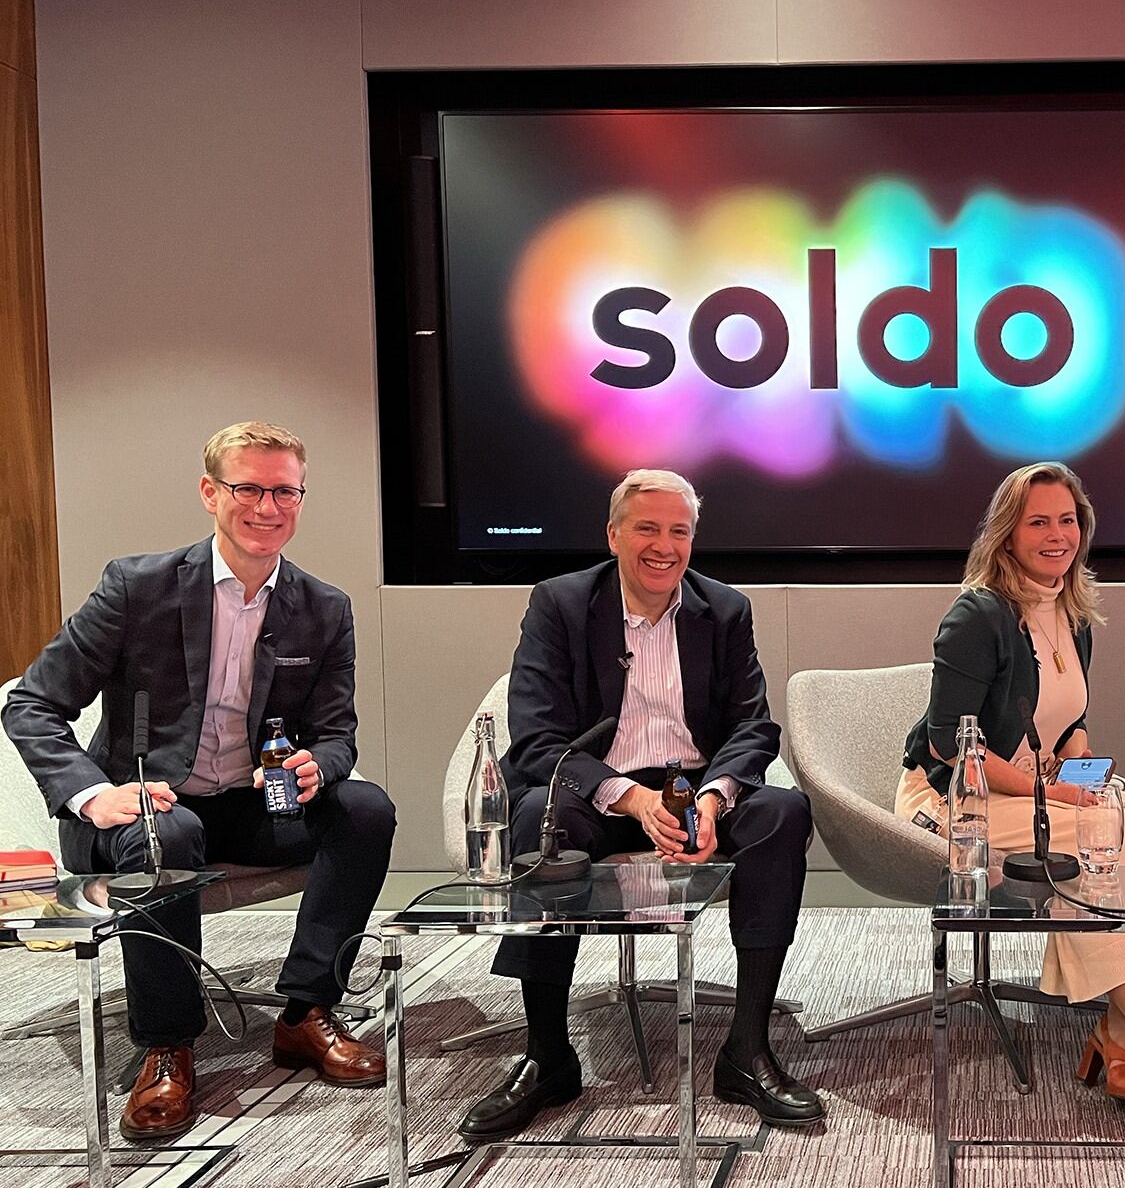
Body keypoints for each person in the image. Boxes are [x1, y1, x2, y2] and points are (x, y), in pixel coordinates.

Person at [3, 422, 396, 1140]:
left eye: (285, 491)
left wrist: (322, 766)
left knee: (365, 808)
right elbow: (31, 704)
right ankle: (168, 1045)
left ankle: (306, 1011)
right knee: (169, 829)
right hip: (139, 810)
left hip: (251, 804)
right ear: (211, 492)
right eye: (249, 488)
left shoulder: (323, 607)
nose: (267, 507)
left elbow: (337, 735)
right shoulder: (137, 587)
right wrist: (95, 794)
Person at [459, 470, 818, 1140]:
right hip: (595, 783)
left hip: (694, 780)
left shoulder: (726, 609)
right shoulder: (561, 603)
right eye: (647, 528)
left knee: (782, 813)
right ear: (614, 534)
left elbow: (753, 727)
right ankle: (547, 1055)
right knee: (547, 822)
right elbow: (537, 736)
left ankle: (746, 1050)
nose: (664, 545)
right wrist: (632, 798)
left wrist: (711, 800)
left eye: (678, 531)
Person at [899, 462, 1125, 1128]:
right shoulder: (978, 613)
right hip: (954, 797)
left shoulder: (1070, 611)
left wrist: (1078, 761)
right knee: (1092, 834)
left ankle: (1116, 1029)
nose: (1057, 535)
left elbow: (1069, 720)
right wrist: (1058, 794)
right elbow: (948, 746)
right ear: (1008, 534)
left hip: (1037, 784)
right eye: (1038, 521)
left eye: (1067, 520)